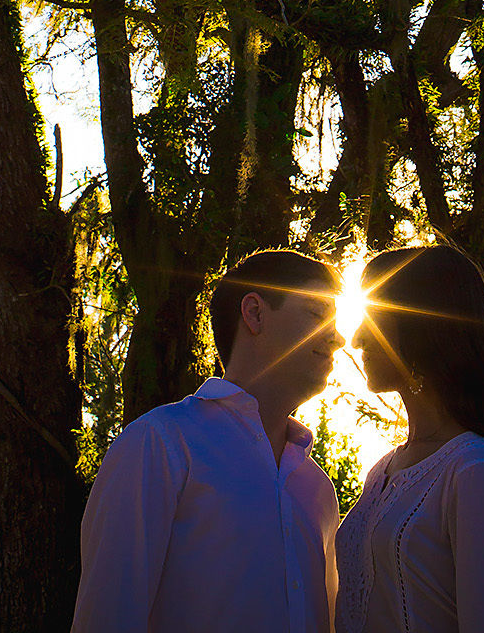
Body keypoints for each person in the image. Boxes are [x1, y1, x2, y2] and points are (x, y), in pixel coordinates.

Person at [72, 248, 344, 633]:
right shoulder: (161, 444)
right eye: (318, 314)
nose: (339, 338)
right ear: (255, 314)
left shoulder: (317, 488)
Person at [336, 246, 484, 633]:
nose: (357, 338)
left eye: (372, 316)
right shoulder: (382, 471)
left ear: (422, 327)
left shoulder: (477, 471)